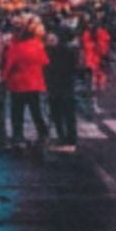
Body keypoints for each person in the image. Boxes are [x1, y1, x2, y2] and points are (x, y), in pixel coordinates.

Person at [2, 18, 51, 157]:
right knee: (36, 110)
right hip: (34, 83)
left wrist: (4, 78)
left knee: (17, 113)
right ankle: (43, 133)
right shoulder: (37, 45)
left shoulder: (15, 46)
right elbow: (45, 61)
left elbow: (9, 65)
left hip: (18, 83)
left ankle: (18, 137)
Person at [45, 23, 79, 152]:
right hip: (67, 86)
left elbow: (48, 68)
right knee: (69, 115)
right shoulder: (71, 52)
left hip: (56, 86)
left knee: (57, 114)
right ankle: (71, 139)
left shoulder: (53, 51)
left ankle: (63, 138)